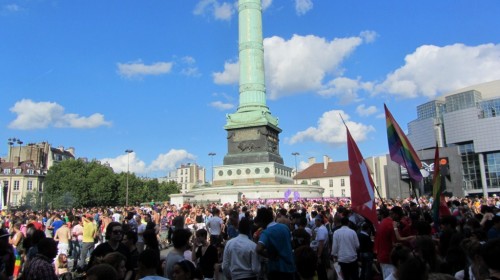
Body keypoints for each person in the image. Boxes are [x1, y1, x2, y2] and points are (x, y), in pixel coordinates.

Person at [255, 207, 296, 279]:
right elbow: (292, 244)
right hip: (290, 267)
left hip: (276, 270)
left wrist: (269, 255)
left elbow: (258, 249)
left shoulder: (266, 232)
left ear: (262, 221)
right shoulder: (285, 227)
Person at [375, 206, 414, 279]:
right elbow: (398, 241)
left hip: (383, 256)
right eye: (400, 216)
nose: (400, 219)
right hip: (388, 258)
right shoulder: (392, 224)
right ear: (395, 214)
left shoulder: (384, 221)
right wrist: (410, 238)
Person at [313, 214, 329, 280]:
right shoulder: (322, 228)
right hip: (323, 251)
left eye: (316, 221)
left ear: (319, 221)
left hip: (321, 252)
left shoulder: (321, 229)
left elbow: (321, 243)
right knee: (322, 270)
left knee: (321, 270)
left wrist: (319, 255)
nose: (315, 223)